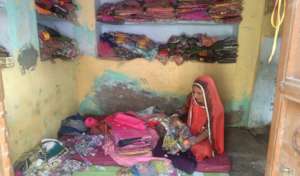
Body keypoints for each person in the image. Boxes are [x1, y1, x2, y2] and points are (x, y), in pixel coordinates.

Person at [175, 75, 224, 161]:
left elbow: (210, 130)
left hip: (204, 137)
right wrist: (175, 116)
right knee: (169, 132)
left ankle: (185, 147)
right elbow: (184, 108)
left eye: (199, 93)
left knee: (202, 150)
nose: (195, 96)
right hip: (190, 130)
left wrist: (193, 141)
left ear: (207, 92)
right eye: (193, 92)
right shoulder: (192, 98)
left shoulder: (216, 109)